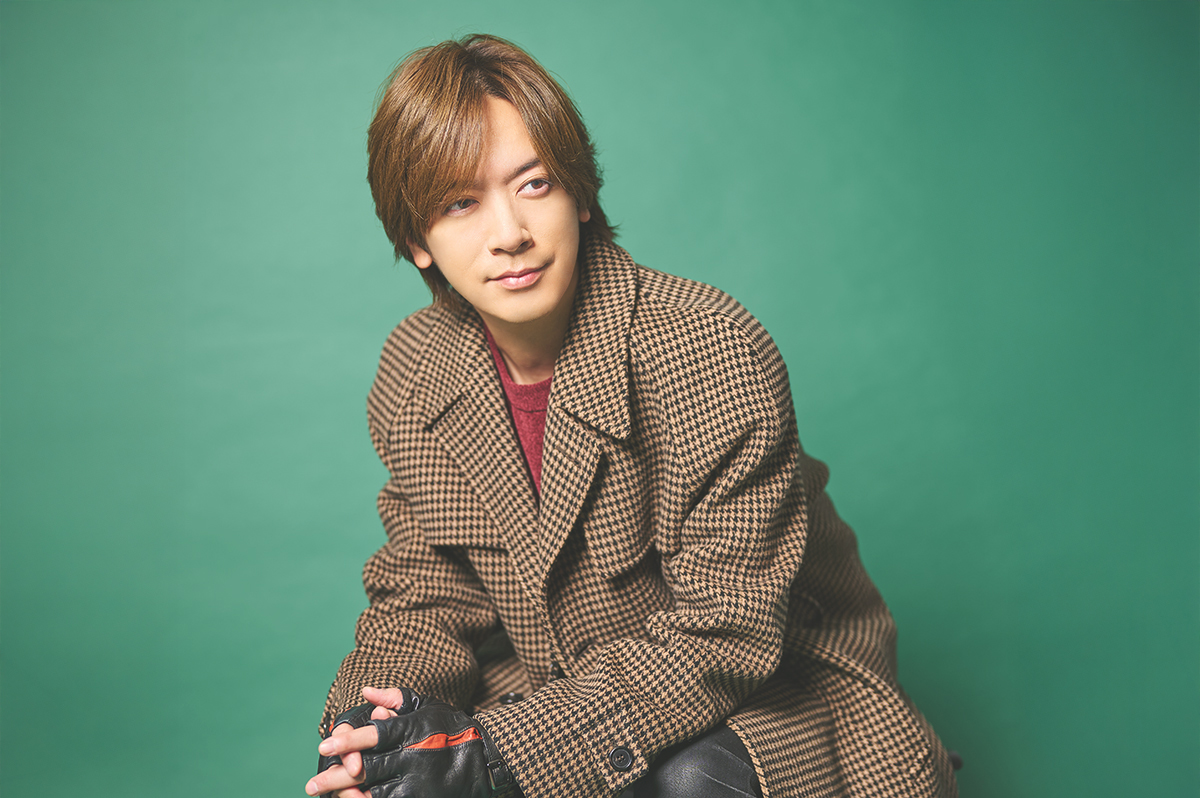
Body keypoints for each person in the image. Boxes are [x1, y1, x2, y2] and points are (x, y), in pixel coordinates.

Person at [306, 34, 958, 798]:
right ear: (417, 239)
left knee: (684, 781)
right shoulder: (417, 371)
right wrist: (367, 736)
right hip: (568, 687)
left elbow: (727, 634)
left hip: (778, 697)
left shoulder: (710, 351)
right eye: (460, 203)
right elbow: (428, 594)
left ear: (581, 195)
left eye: (535, 184)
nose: (509, 234)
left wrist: (497, 757)